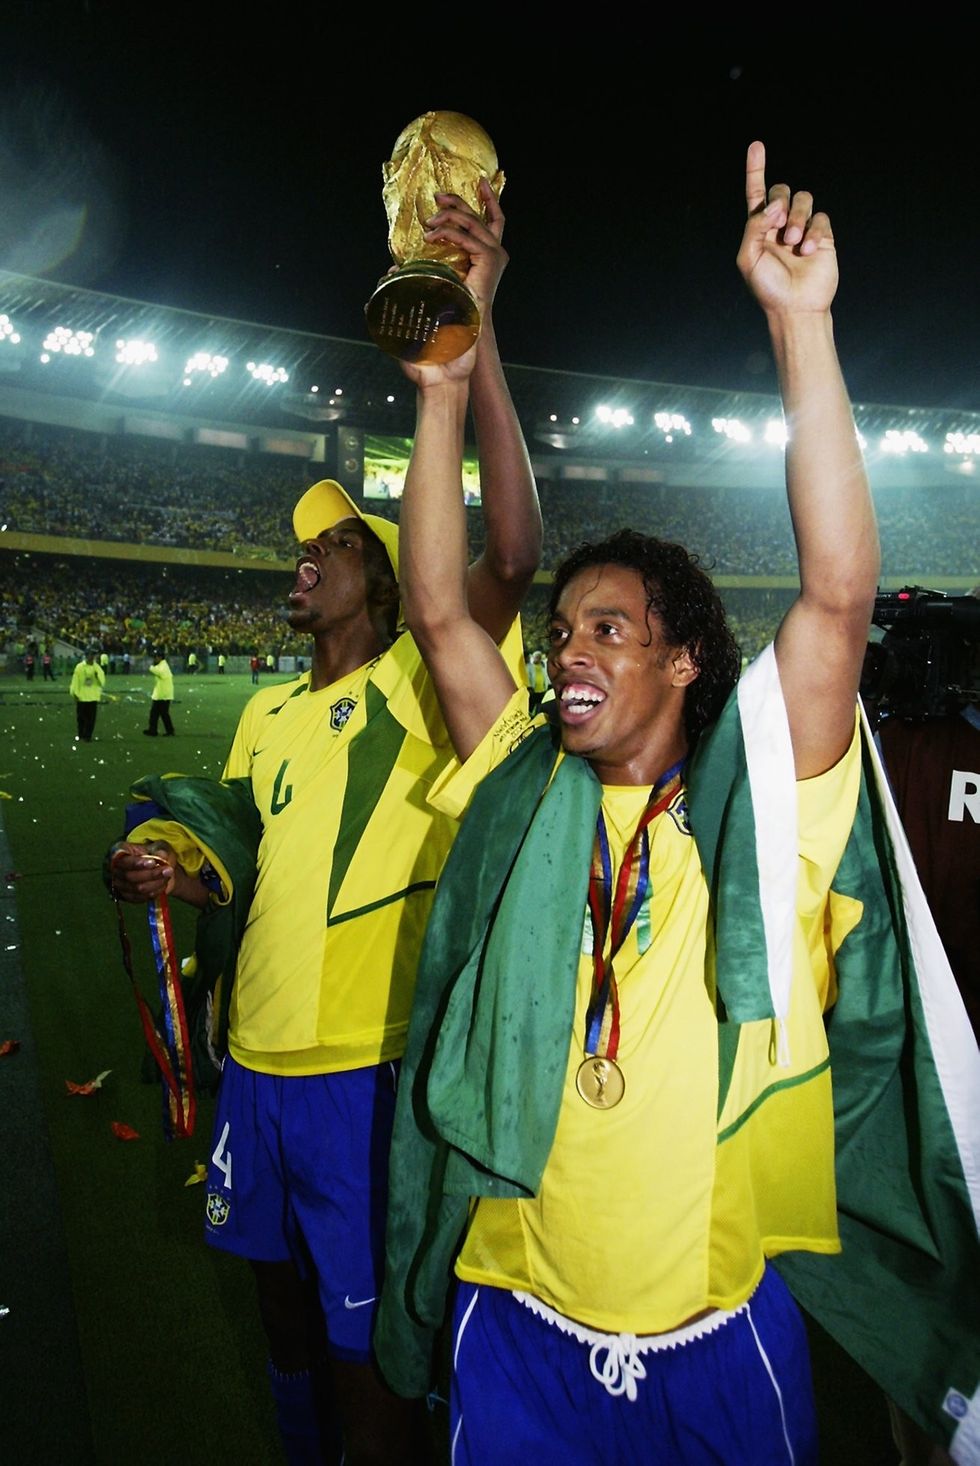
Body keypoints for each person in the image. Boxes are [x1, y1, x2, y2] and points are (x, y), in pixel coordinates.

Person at [375, 144, 980, 1464]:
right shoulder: (530, 785)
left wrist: (800, 328)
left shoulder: (758, 814)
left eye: (608, 627)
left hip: (716, 1340)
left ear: (687, 657)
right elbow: (438, 611)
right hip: (516, 1321)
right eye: (559, 632)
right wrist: (442, 385)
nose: (566, 652)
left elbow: (836, 597)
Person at [109, 179, 541, 1466]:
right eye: (304, 545)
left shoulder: (420, 677)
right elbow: (242, 868)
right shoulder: (263, 716)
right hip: (253, 1065)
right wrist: (173, 873)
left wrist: (472, 334)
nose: (305, 556)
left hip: (364, 1069)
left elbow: (510, 554)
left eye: (335, 544)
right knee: (280, 1309)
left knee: (370, 1348)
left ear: (387, 577)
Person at [70, 647, 105, 741]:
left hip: (93, 697)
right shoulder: (80, 667)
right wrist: (74, 693)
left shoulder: (97, 667)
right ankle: (81, 734)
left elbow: (102, 682)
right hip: (81, 697)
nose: (92, 657)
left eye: (94, 655)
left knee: (91, 719)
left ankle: (88, 736)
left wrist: (98, 676)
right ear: (86, 655)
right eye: (91, 654)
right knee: (81, 718)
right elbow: (75, 681)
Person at [144, 649, 175, 736]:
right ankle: (154, 730)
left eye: (155, 657)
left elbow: (159, 673)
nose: (154, 659)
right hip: (161, 694)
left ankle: (168, 731)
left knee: (162, 714)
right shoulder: (162, 665)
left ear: (160, 657)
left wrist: (151, 667)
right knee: (156, 714)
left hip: (163, 695)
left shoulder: (163, 666)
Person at [525, 647, 550, 714]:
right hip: (533, 689)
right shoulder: (529, 666)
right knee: (531, 705)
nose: (537, 659)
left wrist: (546, 686)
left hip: (542, 689)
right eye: (536, 657)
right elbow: (527, 677)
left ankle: (538, 715)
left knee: (540, 704)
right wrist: (529, 686)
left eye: (539, 657)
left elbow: (546, 676)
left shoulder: (543, 666)